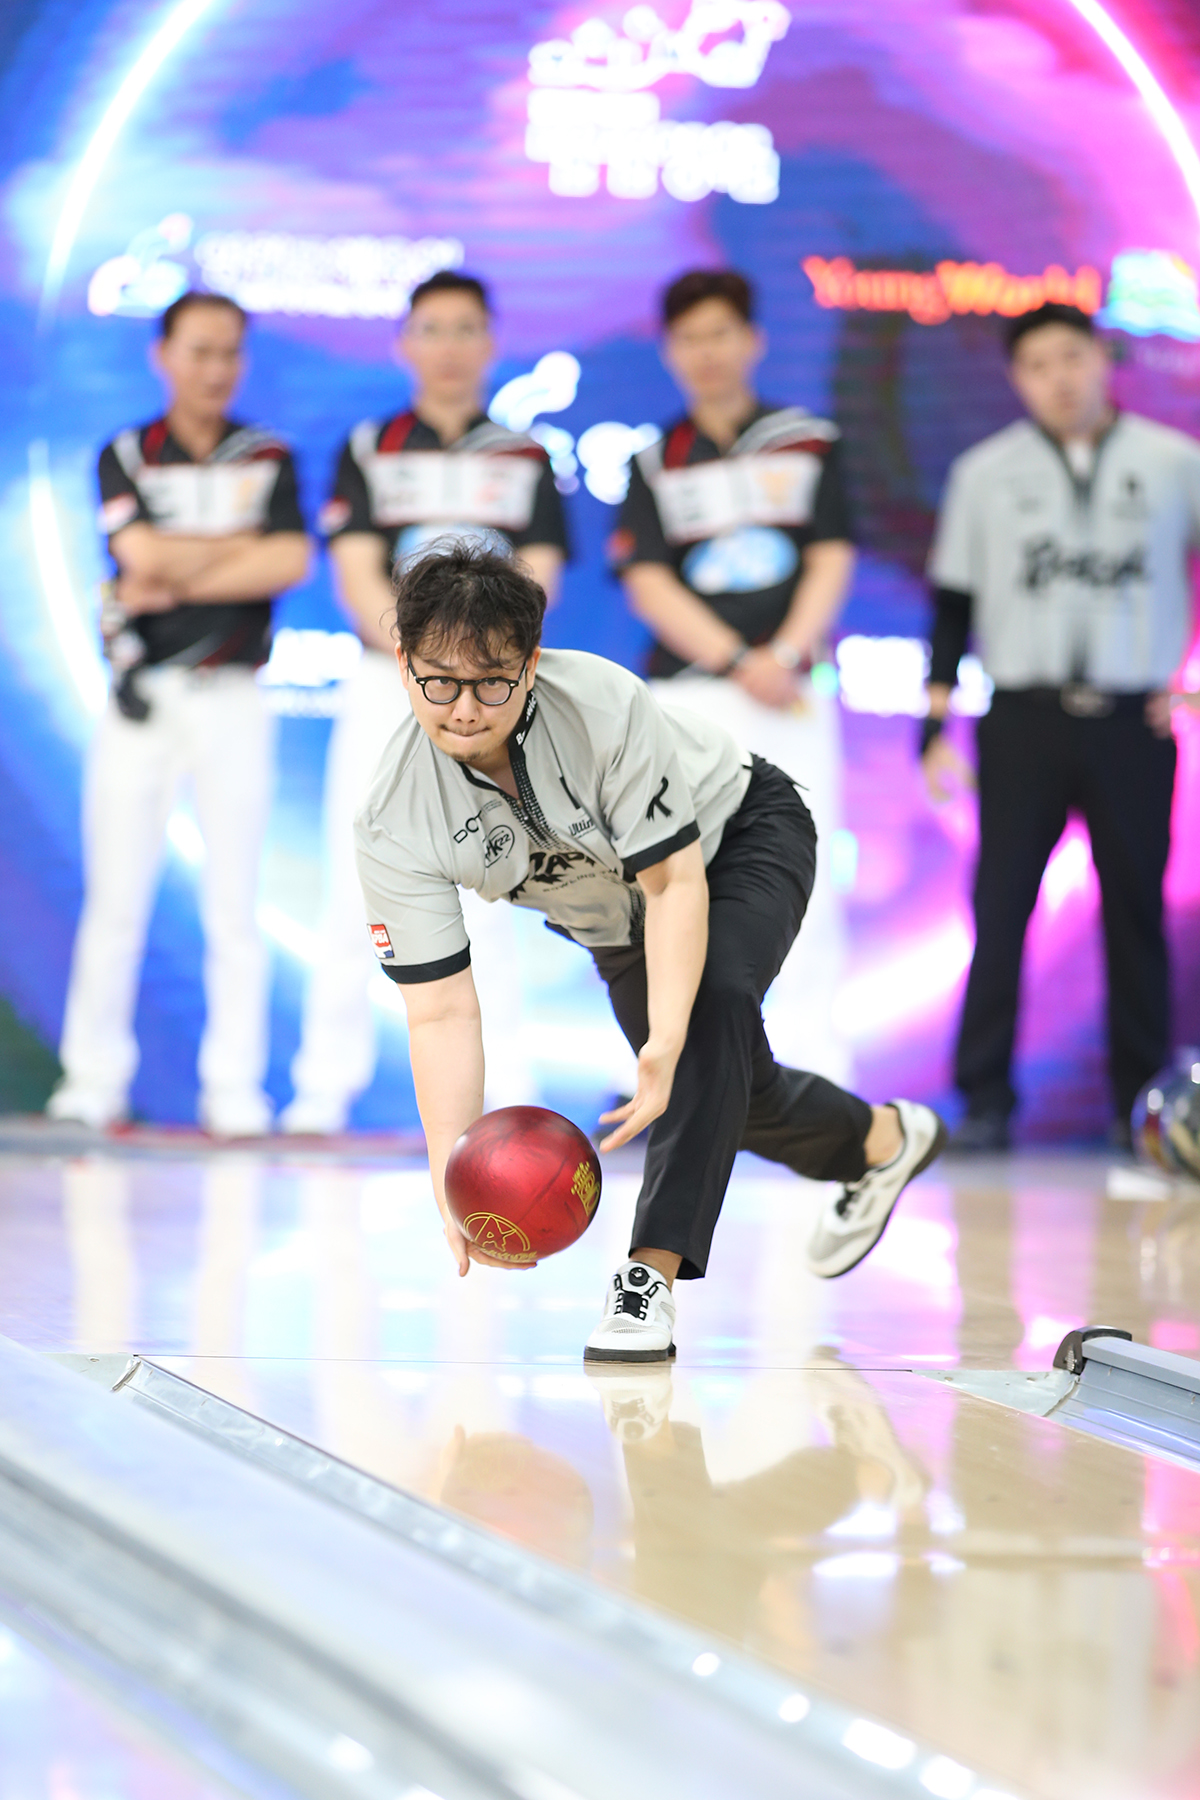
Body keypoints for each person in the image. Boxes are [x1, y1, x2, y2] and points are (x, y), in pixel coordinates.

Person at [355, 542, 946, 1361]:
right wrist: (454, 1185)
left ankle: (647, 1281)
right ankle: (881, 1141)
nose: (464, 709)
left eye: (492, 682)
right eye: (439, 683)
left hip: (736, 836)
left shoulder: (602, 704)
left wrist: (665, 1039)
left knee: (705, 1023)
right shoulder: (393, 820)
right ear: (404, 665)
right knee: (733, 1086)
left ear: (530, 665)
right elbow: (441, 1011)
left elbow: (673, 885)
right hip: (615, 921)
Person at [283, 270, 569, 1134]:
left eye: (465, 329)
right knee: (356, 878)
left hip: (491, 699)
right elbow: (356, 574)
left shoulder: (524, 458)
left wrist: (474, 674)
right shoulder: (371, 447)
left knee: (496, 881)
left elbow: (540, 577)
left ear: (491, 343)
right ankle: (321, 1091)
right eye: (432, 329)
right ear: (405, 342)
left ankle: (504, 1095)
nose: (449, 347)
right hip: (389, 682)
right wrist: (422, 664)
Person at [923, 302, 1200, 1151]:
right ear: (1017, 377)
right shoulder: (986, 472)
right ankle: (984, 1102)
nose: (1059, 379)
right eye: (1038, 365)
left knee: (1135, 911)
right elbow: (954, 600)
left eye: (1072, 358)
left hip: (1131, 721)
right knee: (1001, 906)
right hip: (1024, 720)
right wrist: (931, 724)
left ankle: (1139, 1107)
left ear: (1103, 360)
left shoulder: (1174, 462)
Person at [47, 292, 311, 1137]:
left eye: (230, 352)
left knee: (235, 904)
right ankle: (93, 1080)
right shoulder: (127, 453)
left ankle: (234, 1091)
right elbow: (137, 553)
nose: (215, 369)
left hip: (234, 695)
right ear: (163, 355)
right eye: (200, 350)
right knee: (115, 900)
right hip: (142, 697)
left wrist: (173, 573)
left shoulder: (268, 455)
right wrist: (233, 552)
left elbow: (289, 558)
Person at [610, 268, 856, 1082]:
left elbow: (831, 555)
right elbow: (648, 580)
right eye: (689, 339)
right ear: (669, 351)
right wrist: (734, 658)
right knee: (674, 884)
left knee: (800, 878)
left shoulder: (808, 442)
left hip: (790, 694)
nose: (706, 352)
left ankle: (813, 1073)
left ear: (753, 340)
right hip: (689, 696)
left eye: (720, 333)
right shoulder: (656, 461)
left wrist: (781, 655)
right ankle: (676, 1078)